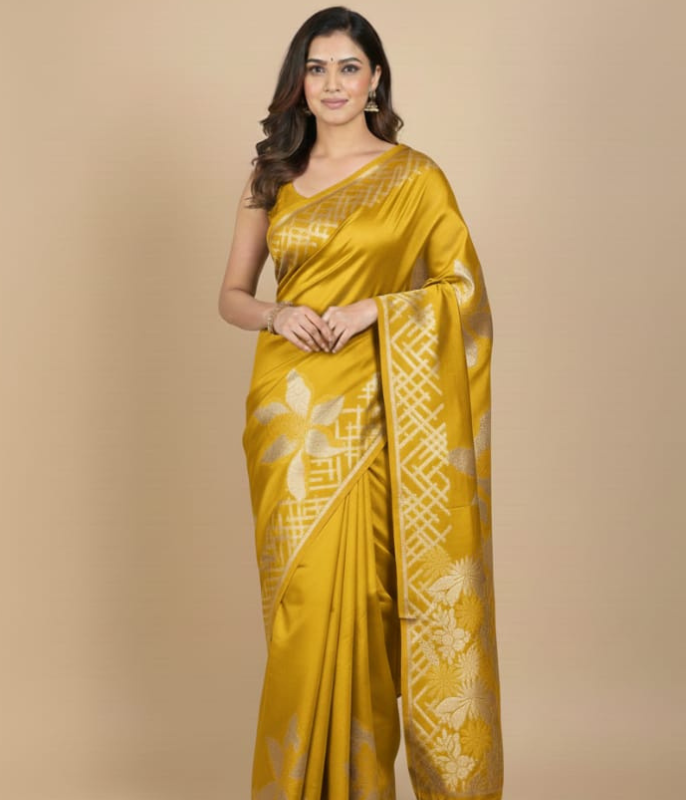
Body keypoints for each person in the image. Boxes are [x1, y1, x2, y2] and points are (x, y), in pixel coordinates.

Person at [219, 7, 504, 799]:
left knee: (374, 605)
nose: (333, 83)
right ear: (299, 83)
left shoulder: (415, 178)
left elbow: (461, 291)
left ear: (375, 79)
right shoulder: (272, 176)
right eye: (316, 68)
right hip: (288, 414)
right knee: (305, 608)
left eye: (349, 67)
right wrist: (276, 313)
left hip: (382, 415)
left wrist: (376, 309)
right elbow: (232, 296)